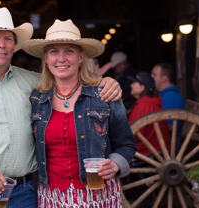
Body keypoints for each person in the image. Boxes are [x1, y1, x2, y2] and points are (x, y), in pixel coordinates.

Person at [0, 7, 123, 208]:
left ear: (14, 45)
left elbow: (71, 83)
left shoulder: (35, 83)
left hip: (25, 192)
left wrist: (107, 83)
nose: (2, 45)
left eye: (8, 39)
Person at [22, 19, 137, 208]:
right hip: (52, 196)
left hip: (99, 196)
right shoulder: (36, 99)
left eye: (69, 51)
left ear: (81, 57)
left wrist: (115, 165)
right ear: (46, 59)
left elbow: (126, 144)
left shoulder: (104, 94)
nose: (61, 58)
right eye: (54, 52)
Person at [127, 72, 171, 158]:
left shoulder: (144, 106)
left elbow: (133, 134)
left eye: (134, 83)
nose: (131, 85)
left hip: (147, 150)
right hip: (156, 147)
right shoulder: (149, 102)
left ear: (142, 87)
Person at [151, 63, 185, 152]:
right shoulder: (165, 95)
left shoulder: (171, 96)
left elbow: (169, 126)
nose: (151, 77)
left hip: (169, 144)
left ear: (164, 78)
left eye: (154, 75)